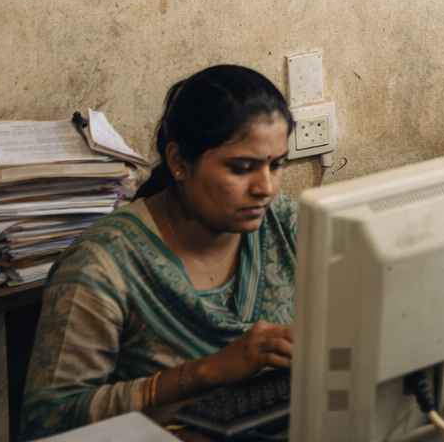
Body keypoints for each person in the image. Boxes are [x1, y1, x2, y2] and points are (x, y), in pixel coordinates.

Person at [20, 66, 297, 439]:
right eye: (241, 168)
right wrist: (206, 372)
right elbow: (46, 421)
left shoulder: (292, 226)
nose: (265, 187)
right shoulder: (104, 264)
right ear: (179, 161)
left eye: (276, 165)